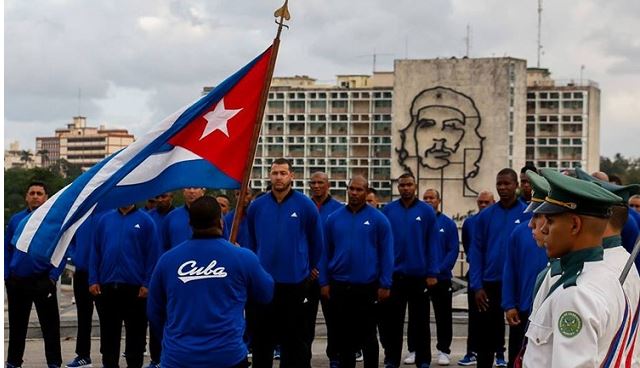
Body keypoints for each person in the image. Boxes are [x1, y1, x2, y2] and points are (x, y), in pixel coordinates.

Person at [147, 196, 274, 368]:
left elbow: (154, 311)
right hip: (228, 356)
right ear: (221, 222)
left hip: (179, 356)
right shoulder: (243, 257)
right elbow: (266, 293)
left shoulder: (167, 260)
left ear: (190, 224)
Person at [523, 169, 628, 366]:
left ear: (574, 225)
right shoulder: (605, 277)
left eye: (551, 221)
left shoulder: (576, 295)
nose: (544, 228)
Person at [245, 158, 323, 368]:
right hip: (264, 284)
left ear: (292, 176)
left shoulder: (305, 205)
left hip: (294, 284)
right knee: (262, 341)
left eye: (283, 173)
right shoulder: (257, 206)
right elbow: (251, 241)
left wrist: (308, 267)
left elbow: (317, 242)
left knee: (293, 342)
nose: (278, 177)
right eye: (275, 173)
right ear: (269, 176)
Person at [320, 175, 394, 368]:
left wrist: (385, 283)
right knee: (344, 336)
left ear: (366, 191)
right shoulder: (333, 219)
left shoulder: (379, 220)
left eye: (359, 189)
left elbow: (387, 254)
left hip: (367, 287)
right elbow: (325, 252)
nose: (354, 193)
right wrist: (324, 282)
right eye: (351, 189)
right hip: (339, 286)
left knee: (368, 335)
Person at [378, 173, 439, 368]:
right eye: (402, 185)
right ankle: (391, 359)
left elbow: (432, 244)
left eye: (409, 185)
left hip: (419, 277)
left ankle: (423, 360)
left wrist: (432, 272)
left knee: (420, 323)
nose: (405, 188)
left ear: (415, 186)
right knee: (392, 324)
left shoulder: (426, 211)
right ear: (398, 187)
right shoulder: (388, 211)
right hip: (395, 277)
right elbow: (382, 246)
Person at [89, 204, 161, 368]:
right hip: (107, 287)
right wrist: (93, 279)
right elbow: (95, 251)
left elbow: (153, 255)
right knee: (108, 333)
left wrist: (147, 283)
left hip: (135, 289)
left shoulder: (146, 221)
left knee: (136, 334)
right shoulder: (104, 220)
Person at [469, 168, 526, 368]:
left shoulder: (527, 214)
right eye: (499, 184)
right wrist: (477, 286)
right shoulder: (485, 217)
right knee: (486, 339)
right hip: (490, 284)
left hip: (517, 286)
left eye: (507, 183)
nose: (502, 187)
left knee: (518, 338)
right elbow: (476, 253)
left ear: (516, 186)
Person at [5, 181, 65, 368]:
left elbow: (61, 250)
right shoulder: (16, 220)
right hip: (17, 282)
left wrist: (53, 277)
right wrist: (7, 275)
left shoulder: (53, 221)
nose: (36, 196)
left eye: (40, 193)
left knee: (50, 327)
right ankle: (14, 362)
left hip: (43, 281)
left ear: (46, 197)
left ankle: (54, 362)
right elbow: (6, 249)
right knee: (17, 327)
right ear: (26, 197)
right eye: (32, 193)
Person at [501, 171, 549, 368]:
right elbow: (510, 270)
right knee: (518, 357)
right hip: (523, 311)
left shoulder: (566, 237)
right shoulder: (519, 233)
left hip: (548, 312)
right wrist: (509, 304)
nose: (532, 221)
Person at [307, 171, 343, 366]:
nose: (316, 186)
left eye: (320, 182)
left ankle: (335, 357)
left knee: (334, 322)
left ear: (328, 185)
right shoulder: (304, 207)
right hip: (308, 276)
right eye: (313, 182)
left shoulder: (338, 210)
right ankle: (304, 357)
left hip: (330, 277)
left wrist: (327, 272)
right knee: (305, 323)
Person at [421, 188, 460, 365]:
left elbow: (452, 251)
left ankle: (444, 350)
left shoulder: (448, 224)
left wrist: (437, 271)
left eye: (432, 198)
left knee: (443, 317)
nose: (428, 201)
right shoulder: (419, 222)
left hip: (441, 279)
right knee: (419, 317)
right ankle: (415, 349)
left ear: (439, 200)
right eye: (425, 198)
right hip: (420, 278)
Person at [458, 190, 495, 366]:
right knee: (477, 320)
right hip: (478, 277)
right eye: (480, 202)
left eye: (486, 202)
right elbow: (470, 247)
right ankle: (471, 351)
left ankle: (500, 353)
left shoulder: (497, 219)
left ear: (493, 202)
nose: (483, 206)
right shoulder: (471, 223)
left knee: (498, 322)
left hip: (498, 277)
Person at [66, 213, 104, 368]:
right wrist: (75, 257)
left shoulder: (108, 213)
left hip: (103, 275)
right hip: (82, 273)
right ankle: (83, 356)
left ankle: (108, 356)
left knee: (107, 318)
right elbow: (69, 241)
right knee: (83, 317)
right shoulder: (80, 215)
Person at [144, 192, 174, 368]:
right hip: (154, 275)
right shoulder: (148, 219)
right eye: (158, 197)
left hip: (176, 275)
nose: (161, 200)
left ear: (171, 197)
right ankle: (155, 358)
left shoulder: (174, 217)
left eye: (165, 196)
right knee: (155, 316)